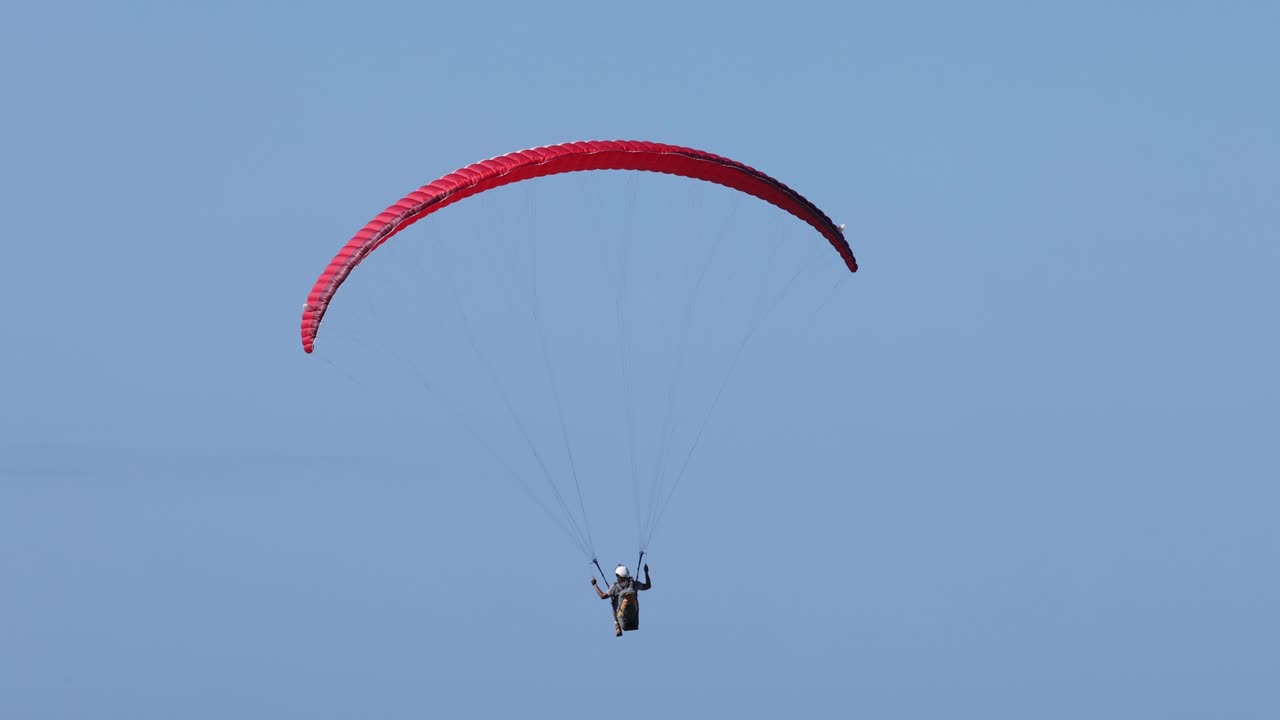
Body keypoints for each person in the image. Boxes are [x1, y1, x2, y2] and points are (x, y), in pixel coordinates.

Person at [591, 564, 652, 637]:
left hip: (622, 618)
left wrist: (594, 584)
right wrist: (646, 572)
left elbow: (602, 596)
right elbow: (648, 586)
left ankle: (617, 626)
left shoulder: (614, 587)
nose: (616, 578)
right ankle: (619, 623)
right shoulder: (634, 584)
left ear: (619, 576)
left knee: (613, 604)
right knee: (632, 596)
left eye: (617, 576)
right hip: (634, 621)